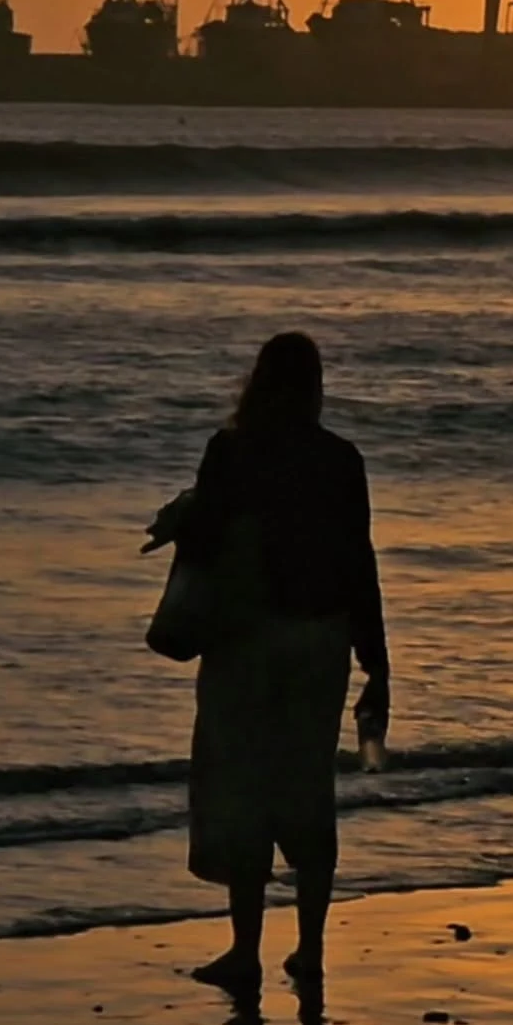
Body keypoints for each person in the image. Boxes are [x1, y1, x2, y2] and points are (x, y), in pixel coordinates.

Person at [175, 331, 389, 991]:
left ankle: (245, 949)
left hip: (246, 639)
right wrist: (376, 660)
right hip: (319, 643)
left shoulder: (232, 451)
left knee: (244, 792)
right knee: (305, 792)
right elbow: (361, 563)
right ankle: (312, 949)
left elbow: (207, 538)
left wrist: (177, 520)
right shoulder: (340, 459)